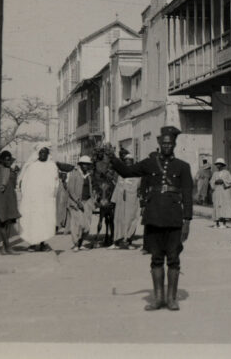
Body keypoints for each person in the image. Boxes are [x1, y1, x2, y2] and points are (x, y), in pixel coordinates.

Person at [109, 126, 193, 312]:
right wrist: (112, 158)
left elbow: (187, 195)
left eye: (170, 143)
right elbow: (127, 171)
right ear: (159, 144)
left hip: (174, 219)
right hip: (154, 217)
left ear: (174, 145)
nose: (166, 146)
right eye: (164, 143)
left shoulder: (183, 167)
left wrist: (187, 221)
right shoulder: (148, 164)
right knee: (156, 259)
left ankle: (171, 299)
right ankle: (157, 299)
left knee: (173, 259)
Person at [18, 146, 72, 252]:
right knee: (33, 221)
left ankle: (42, 243)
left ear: (48, 154)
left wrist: (52, 194)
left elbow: (55, 182)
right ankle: (33, 244)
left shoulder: (52, 166)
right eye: (41, 152)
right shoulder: (32, 166)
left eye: (45, 152)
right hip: (33, 201)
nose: (43, 154)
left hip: (46, 201)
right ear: (38, 153)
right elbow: (25, 183)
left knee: (45, 221)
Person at [0, 150, 20, 255]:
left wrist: (15, 173)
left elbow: (14, 184)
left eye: (9, 160)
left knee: (8, 223)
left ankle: (4, 247)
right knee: (2, 224)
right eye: (6, 160)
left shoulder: (10, 170)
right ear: (1, 160)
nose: (8, 162)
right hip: (0, 200)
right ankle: (8, 247)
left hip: (9, 200)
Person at [65, 156, 95, 252]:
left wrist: (92, 201)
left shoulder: (88, 176)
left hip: (87, 202)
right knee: (77, 224)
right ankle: (76, 244)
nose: (86, 166)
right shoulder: (74, 174)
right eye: (84, 164)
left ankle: (81, 243)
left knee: (86, 225)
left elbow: (90, 189)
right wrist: (77, 201)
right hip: (76, 203)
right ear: (80, 165)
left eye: (87, 164)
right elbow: (70, 189)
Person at [111, 154, 141, 249]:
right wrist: (113, 200)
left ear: (133, 162)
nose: (128, 162)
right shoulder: (121, 173)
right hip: (121, 201)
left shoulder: (137, 174)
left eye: (130, 161)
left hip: (131, 201)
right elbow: (117, 187)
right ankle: (116, 241)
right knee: (118, 220)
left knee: (130, 219)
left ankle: (128, 241)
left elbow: (139, 188)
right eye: (126, 161)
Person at [211, 158, 231, 228]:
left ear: (222, 165)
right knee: (216, 205)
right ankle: (217, 222)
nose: (218, 165)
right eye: (217, 164)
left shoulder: (227, 173)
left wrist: (223, 181)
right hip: (217, 191)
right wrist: (215, 182)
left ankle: (224, 223)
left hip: (224, 191)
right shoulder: (215, 173)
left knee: (224, 206)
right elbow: (211, 181)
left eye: (219, 164)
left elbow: (230, 181)